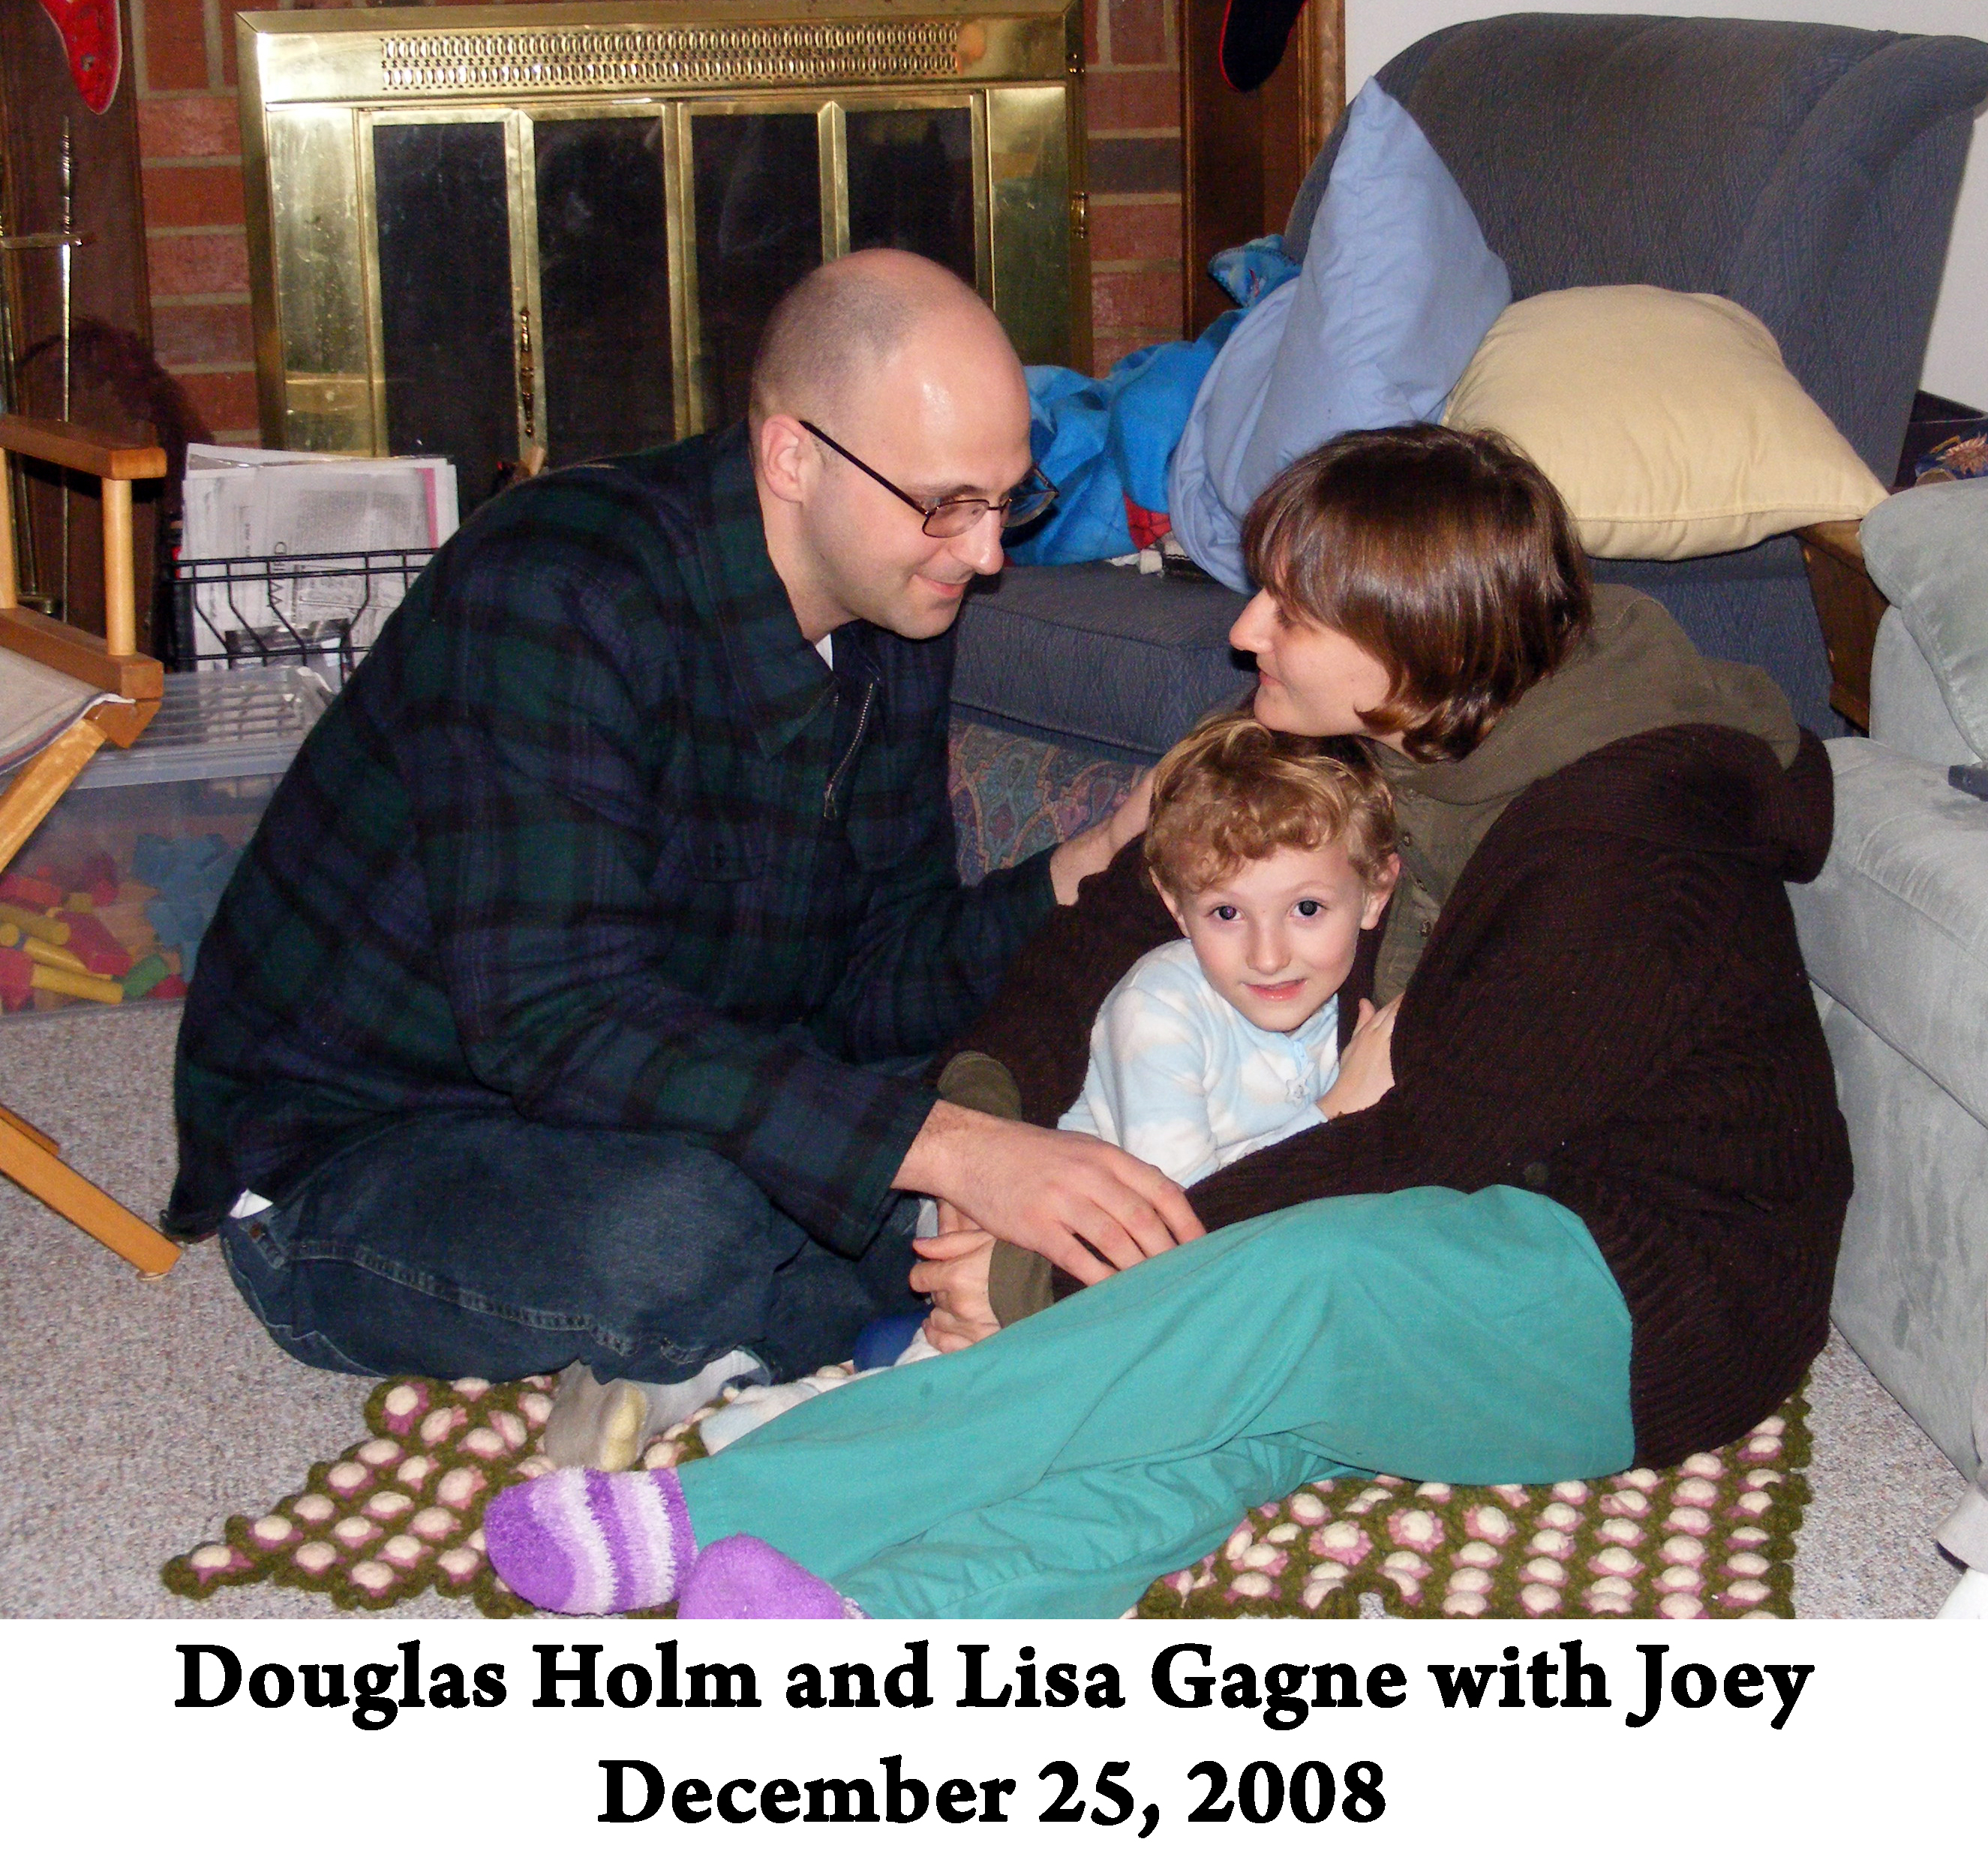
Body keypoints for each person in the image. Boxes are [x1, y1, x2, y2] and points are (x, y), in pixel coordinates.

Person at [482, 422, 1854, 1620]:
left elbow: (1413, 1154)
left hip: (1637, 1289)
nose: (1245, 630)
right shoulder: (1371, 728)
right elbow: (1104, 937)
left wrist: (1042, 1280)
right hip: (1440, 1236)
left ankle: (730, 1514)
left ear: (1418, 649)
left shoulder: (1629, 850)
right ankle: (882, 1615)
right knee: (1214, 1411)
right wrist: (990, 1136)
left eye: (1290, 614)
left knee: (1293, 1290)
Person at [164, 249, 1202, 1472]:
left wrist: (1082, 865)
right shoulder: (555, 588)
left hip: (663, 1068)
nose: (984, 557)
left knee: (1013, 1110)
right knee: (686, 1236)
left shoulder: (894, 613)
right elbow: (556, 1022)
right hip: (364, 1137)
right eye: (944, 504)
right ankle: (879, 1313)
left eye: (1003, 502)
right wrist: (955, 1157)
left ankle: (890, 1292)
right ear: (791, 456)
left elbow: (873, 979)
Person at [1058, 706, 1400, 1185]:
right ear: (1176, 906)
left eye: (1306, 909)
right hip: (1061, 1238)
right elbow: (1185, 1218)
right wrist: (1337, 1109)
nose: (1268, 957)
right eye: (1227, 913)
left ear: (1375, 893)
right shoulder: (1158, 1009)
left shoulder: (1351, 1002)